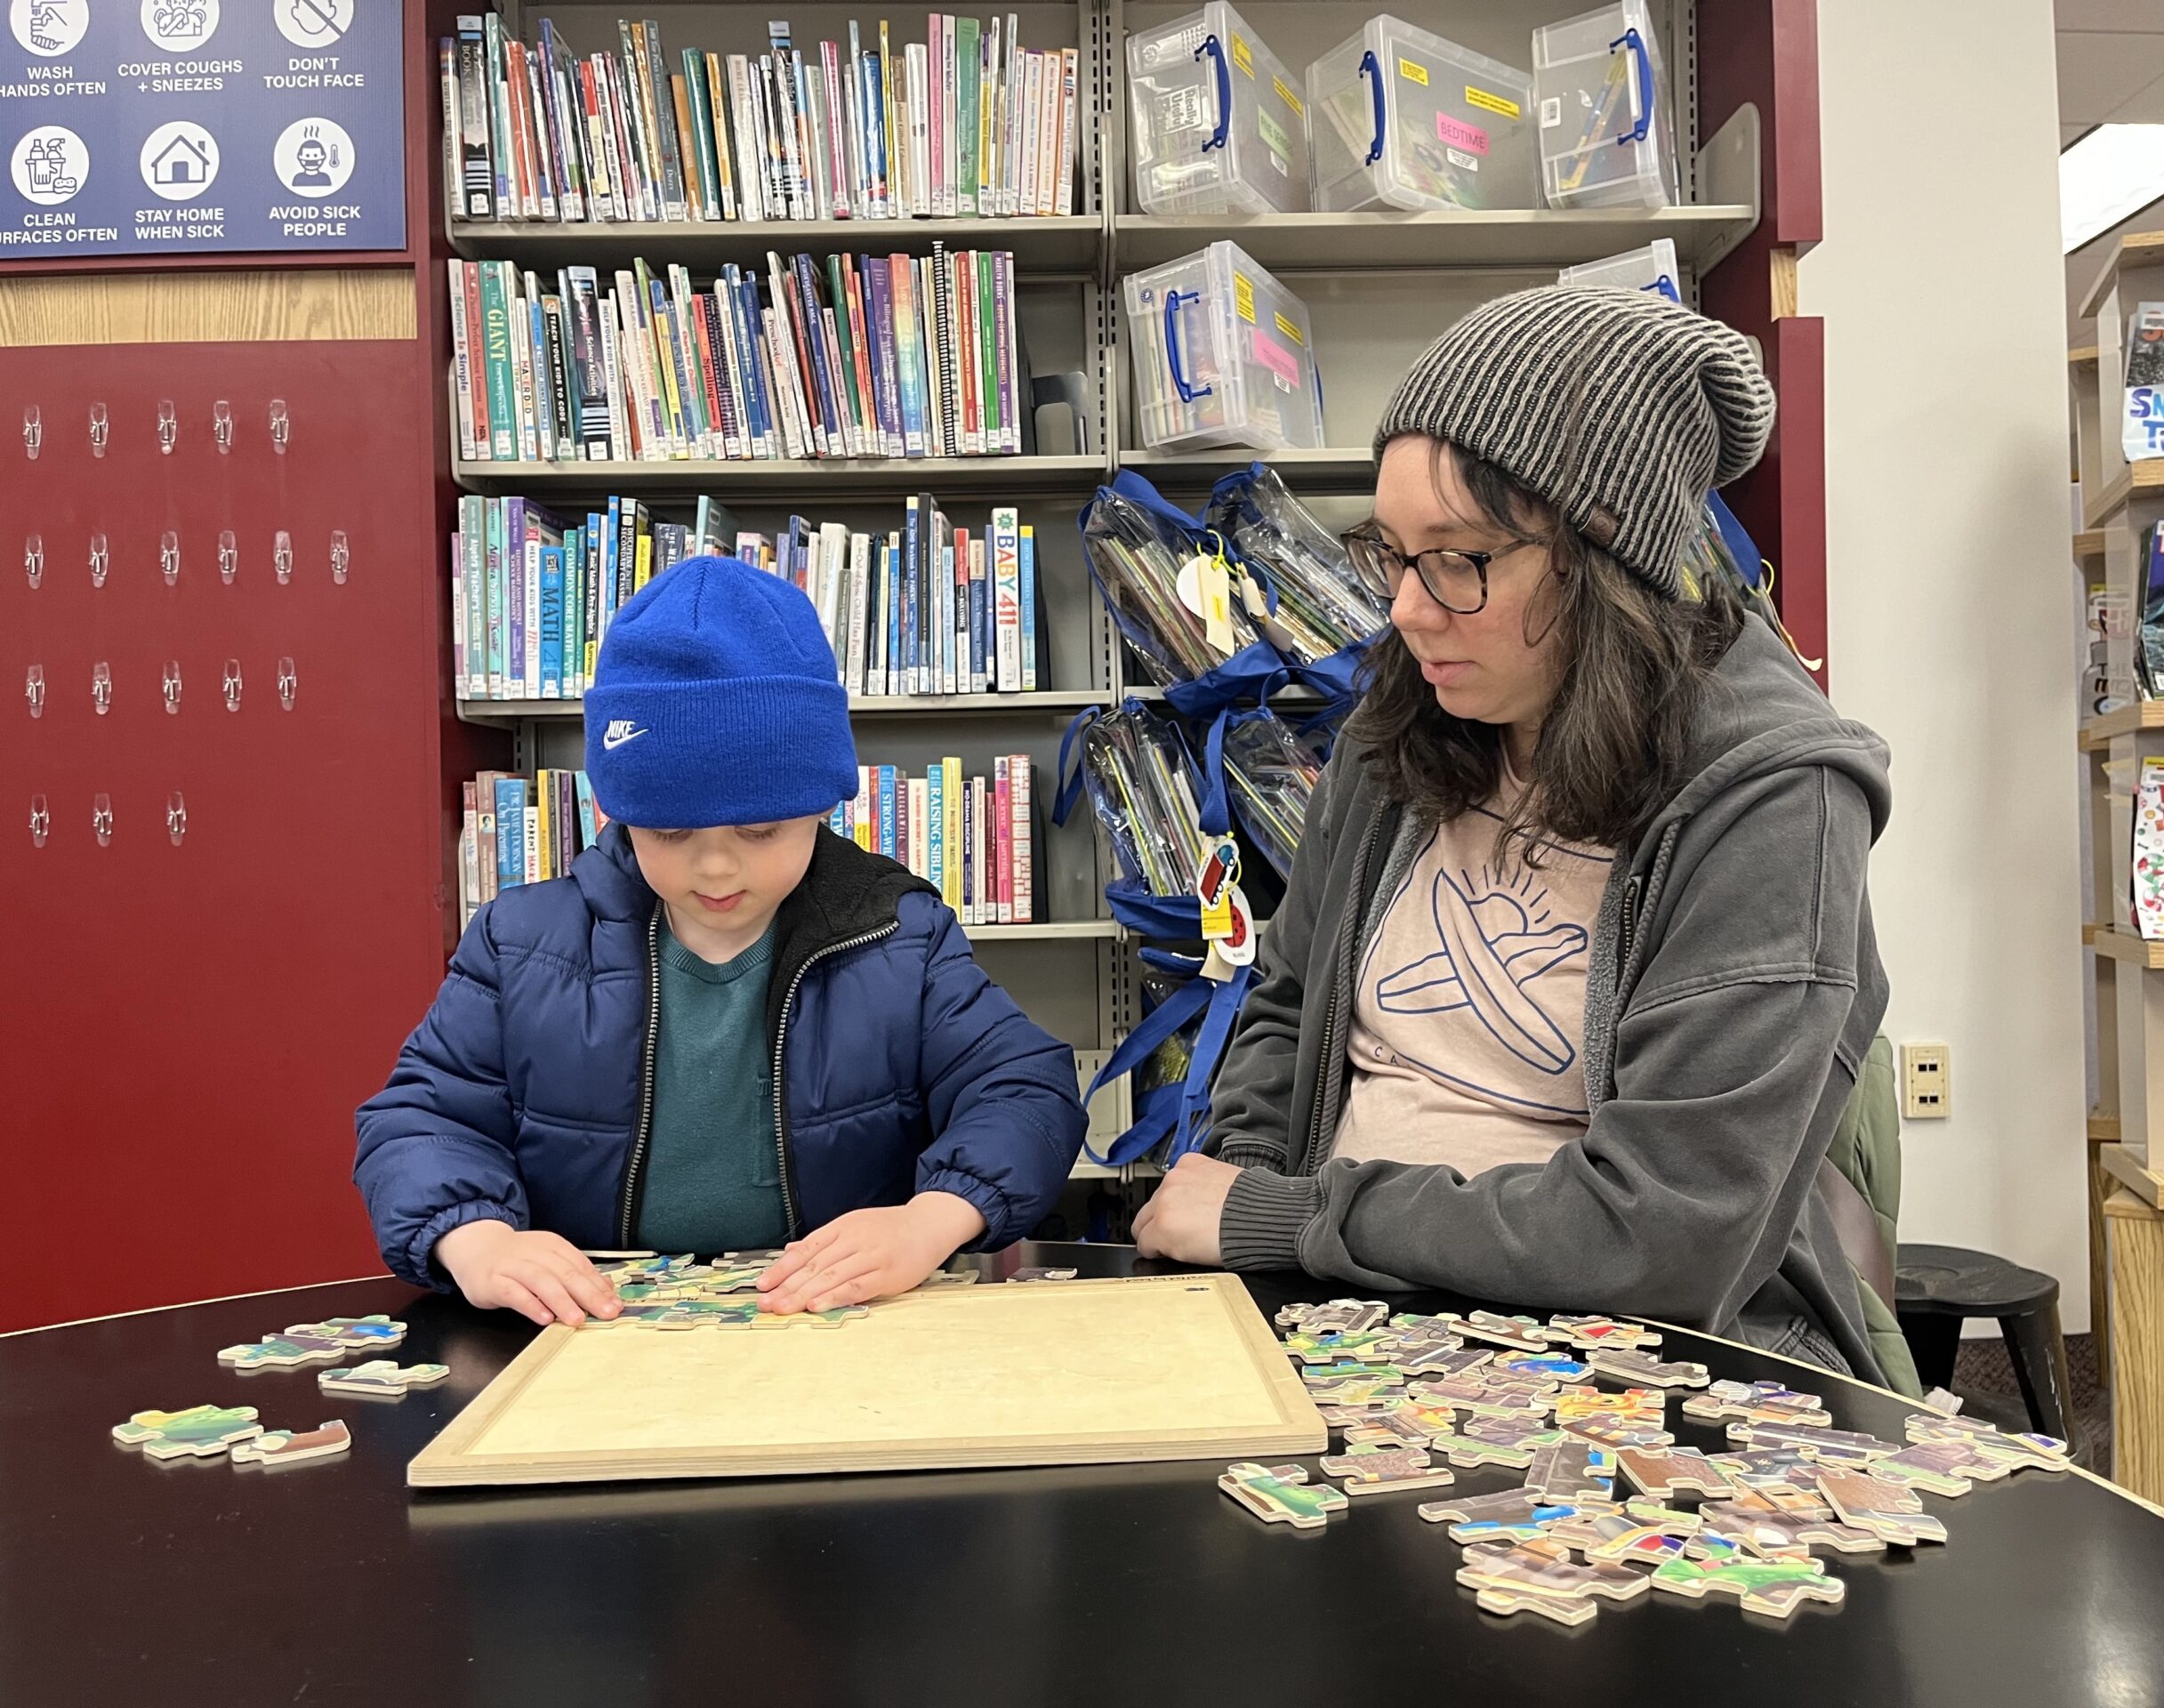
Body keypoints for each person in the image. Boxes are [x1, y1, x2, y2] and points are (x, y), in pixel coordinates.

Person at [1132, 286, 1896, 1382]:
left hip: (1630, 1362)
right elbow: (1291, 1000)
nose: (1404, 608)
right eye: (1390, 552)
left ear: (1607, 558)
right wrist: (1246, 1217)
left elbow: (1664, 1236)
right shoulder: (1410, 710)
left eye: (1457, 558)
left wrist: (1285, 1219)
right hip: (1335, 1307)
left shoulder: (1772, 798)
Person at [356, 556, 1084, 1325]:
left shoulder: (901, 937)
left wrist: (930, 1221)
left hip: (837, 1328)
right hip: (593, 1335)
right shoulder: (520, 942)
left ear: (820, 805)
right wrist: (475, 1241)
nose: (714, 864)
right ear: (620, 811)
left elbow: (1026, 1089)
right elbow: (420, 1120)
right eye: (668, 830)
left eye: (760, 829)